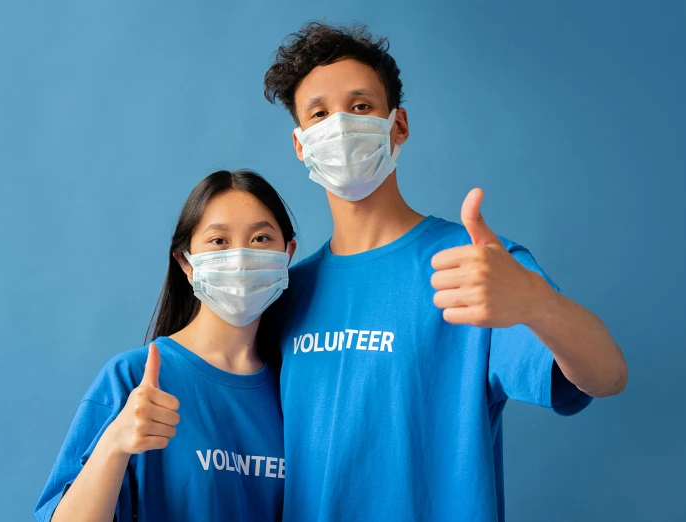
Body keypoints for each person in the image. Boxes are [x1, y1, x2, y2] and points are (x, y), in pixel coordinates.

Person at [262, 22, 628, 521]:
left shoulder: (477, 265)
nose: (341, 126)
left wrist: (537, 302)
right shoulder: (285, 293)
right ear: (302, 145)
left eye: (362, 106)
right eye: (320, 114)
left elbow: (606, 375)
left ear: (399, 125)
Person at [35, 170, 296, 522]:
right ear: (185, 262)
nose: (240, 259)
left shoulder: (295, 386)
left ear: (287, 253)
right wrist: (114, 444)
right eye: (219, 241)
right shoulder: (133, 379)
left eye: (261, 238)